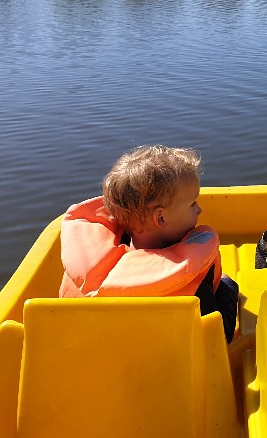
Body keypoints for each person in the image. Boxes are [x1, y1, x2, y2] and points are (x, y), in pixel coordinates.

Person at [59, 145, 239, 342]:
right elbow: (213, 341)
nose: (199, 210)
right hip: (172, 363)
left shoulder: (85, 272)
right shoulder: (191, 288)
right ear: (160, 218)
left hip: (99, 354)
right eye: (193, 204)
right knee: (227, 285)